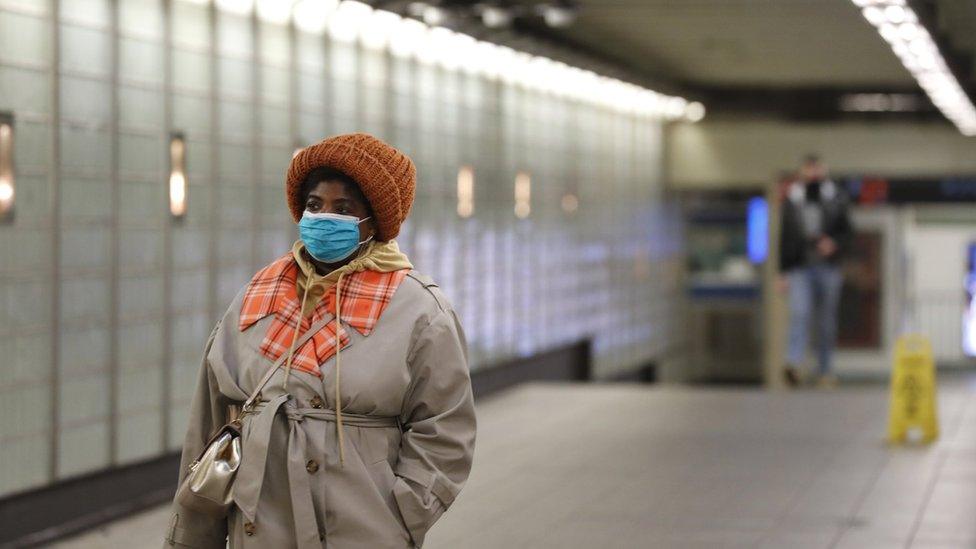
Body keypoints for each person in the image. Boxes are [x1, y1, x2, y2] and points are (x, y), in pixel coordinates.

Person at [164, 133, 477, 548]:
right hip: (259, 531)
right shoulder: (258, 296)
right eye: (314, 205)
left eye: (344, 208)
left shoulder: (418, 310)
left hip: (362, 530)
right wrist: (191, 535)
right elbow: (210, 419)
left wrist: (402, 512)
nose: (324, 217)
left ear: (374, 221)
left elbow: (446, 429)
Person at [779, 154, 853, 388]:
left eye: (817, 170)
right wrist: (782, 272)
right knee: (799, 313)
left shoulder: (837, 198)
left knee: (825, 321)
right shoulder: (793, 199)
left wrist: (833, 243)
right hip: (800, 267)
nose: (813, 175)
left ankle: (825, 370)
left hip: (828, 268)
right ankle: (794, 365)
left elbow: (848, 233)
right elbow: (785, 237)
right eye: (809, 170)